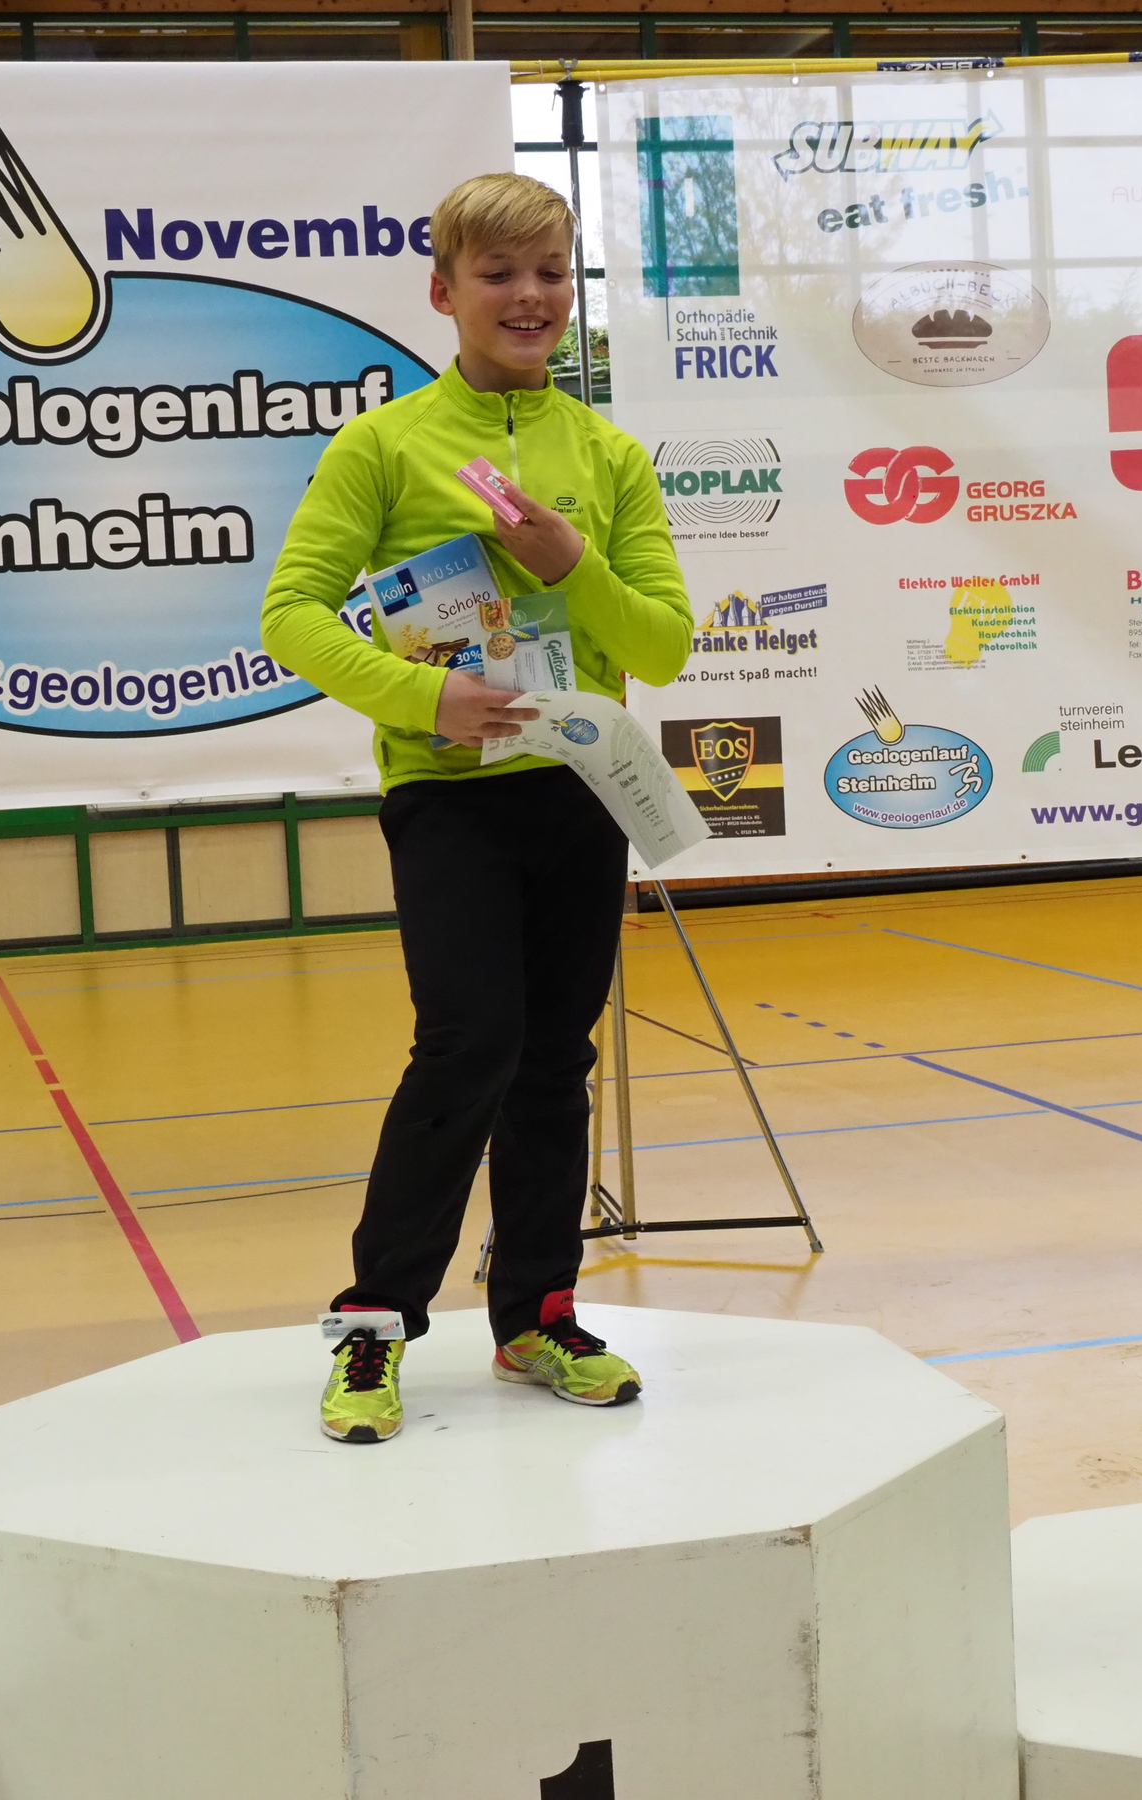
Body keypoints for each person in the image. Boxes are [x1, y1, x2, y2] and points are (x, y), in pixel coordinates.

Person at [261, 173, 693, 1445]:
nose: (529, 296)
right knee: (469, 1046)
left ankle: (538, 1317)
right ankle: (374, 1322)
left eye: (550, 272)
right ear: (443, 292)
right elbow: (291, 615)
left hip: (581, 789)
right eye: (498, 274)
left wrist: (574, 563)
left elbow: (661, 646)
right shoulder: (383, 447)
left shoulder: (609, 457)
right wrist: (425, 699)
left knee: (556, 1061)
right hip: (447, 796)